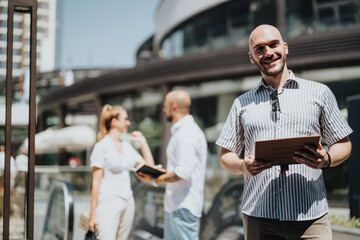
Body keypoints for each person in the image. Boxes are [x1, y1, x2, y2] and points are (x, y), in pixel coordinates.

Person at [216, 24, 352, 240]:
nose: (268, 53)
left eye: (273, 44)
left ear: (285, 48)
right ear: (252, 57)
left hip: (311, 218)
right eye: (259, 49)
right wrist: (243, 165)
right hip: (259, 218)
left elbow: (343, 143)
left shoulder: (319, 93)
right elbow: (225, 155)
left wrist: (326, 159)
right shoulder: (241, 104)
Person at [138, 90, 208, 240]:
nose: (164, 110)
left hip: (183, 206)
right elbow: (180, 169)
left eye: (165, 106)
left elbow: (182, 173)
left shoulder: (186, 133)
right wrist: (158, 172)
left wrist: (156, 179)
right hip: (178, 205)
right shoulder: (183, 131)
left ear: (174, 108)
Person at [88, 104, 155, 240]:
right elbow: (96, 182)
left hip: (128, 201)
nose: (128, 122)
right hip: (108, 202)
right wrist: (93, 214)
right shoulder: (101, 147)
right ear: (114, 122)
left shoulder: (127, 147)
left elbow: (150, 168)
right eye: (125, 119)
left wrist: (143, 142)